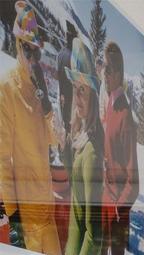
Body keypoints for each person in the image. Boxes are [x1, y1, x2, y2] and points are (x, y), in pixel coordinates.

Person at [0, 1, 62, 255]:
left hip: (46, 207)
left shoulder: (39, 92)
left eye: (36, 52)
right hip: (27, 217)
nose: (33, 58)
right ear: (17, 46)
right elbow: (2, 158)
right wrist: (13, 216)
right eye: (28, 51)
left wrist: (48, 107)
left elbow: (54, 141)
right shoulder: (8, 89)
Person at [98, 40, 137, 255]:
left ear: (119, 73)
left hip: (116, 210)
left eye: (109, 70)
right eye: (104, 68)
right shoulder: (111, 105)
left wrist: (117, 210)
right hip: (105, 200)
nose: (105, 74)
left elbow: (134, 183)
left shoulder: (125, 116)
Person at [63, 39, 102, 255]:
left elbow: (94, 235)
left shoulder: (91, 152)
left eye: (83, 91)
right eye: (75, 89)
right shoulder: (82, 139)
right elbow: (77, 190)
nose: (77, 98)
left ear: (93, 97)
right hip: (72, 252)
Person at [54, 22, 77, 172]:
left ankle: (62, 155)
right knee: (71, 128)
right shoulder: (73, 57)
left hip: (61, 96)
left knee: (63, 125)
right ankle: (69, 160)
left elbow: (57, 75)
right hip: (71, 98)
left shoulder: (60, 54)